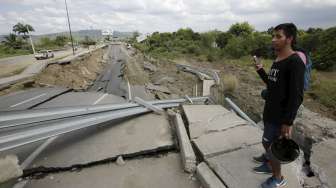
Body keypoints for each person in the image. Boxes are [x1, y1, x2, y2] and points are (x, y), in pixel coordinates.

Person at [252, 23, 305, 188]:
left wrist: (287, 122)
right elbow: (272, 84)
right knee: (268, 143)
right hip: (270, 111)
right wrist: (261, 70)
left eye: (278, 36)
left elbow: (296, 96)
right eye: (273, 36)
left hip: (280, 116)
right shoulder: (278, 58)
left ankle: (278, 178)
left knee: (271, 145)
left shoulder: (294, 62)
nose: (274, 40)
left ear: (289, 39)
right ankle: (269, 163)